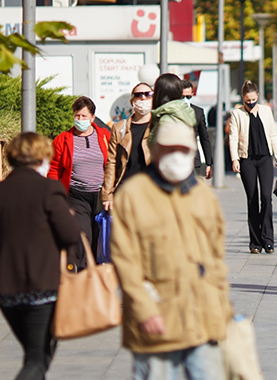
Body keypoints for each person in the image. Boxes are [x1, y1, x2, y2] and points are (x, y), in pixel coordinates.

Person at [111, 122, 231, 380]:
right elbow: (125, 262)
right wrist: (145, 310)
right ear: (154, 151)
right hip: (156, 325)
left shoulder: (204, 196)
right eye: (169, 149)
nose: (176, 155)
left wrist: (222, 309)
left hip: (202, 320)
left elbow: (216, 260)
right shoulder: (133, 196)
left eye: (183, 149)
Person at [0, 133, 81, 380]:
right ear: (41, 157)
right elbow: (69, 235)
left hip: (7, 291)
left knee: (34, 354)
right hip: (42, 288)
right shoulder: (48, 188)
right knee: (38, 357)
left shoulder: (2, 190)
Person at [48, 96, 111, 269]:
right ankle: (83, 271)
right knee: (83, 235)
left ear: (92, 118)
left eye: (84, 116)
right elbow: (54, 169)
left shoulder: (105, 136)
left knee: (99, 234)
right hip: (76, 195)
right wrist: (54, 194)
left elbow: (113, 163)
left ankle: (98, 270)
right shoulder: (63, 139)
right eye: (77, 116)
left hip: (100, 196)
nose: (80, 120)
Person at [228, 81, 277, 254]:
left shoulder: (266, 111)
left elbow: (273, 135)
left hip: (265, 159)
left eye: (253, 99)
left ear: (258, 96)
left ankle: (268, 239)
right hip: (247, 160)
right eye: (247, 100)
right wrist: (234, 159)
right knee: (252, 199)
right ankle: (255, 242)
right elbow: (233, 138)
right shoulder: (237, 114)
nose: (251, 103)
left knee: (267, 197)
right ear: (243, 99)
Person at [102, 83, 154, 211]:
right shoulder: (119, 128)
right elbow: (112, 162)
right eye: (138, 95)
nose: (143, 98)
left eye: (148, 95)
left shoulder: (159, 126)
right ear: (132, 101)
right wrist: (107, 194)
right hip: (126, 189)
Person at [182, 79, 214, 179]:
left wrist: (209, 163)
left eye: (188, 97)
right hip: (177, 160)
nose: (185, 99)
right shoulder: (170, 111)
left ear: (192, 94)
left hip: (193, 160)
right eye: (182, 96)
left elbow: (205, 138)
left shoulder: (198, 112)